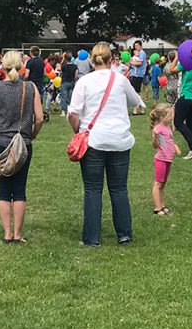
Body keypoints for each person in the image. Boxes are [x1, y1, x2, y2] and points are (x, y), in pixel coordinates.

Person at [67, 42, 145, 246]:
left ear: (91, 60)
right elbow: (136, 101)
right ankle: (124, 234)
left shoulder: (84, 82)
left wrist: (78, 131)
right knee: (119, 188)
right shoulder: (120, 79)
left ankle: (92, 237)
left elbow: (73, 112)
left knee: (93, 189)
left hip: (93, 139)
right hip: (119, 139)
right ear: (111, 60)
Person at [0, 51, 43, 243]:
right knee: (20, 189)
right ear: (21, 67)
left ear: (3, 67)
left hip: (0, 143)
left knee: (3, 190)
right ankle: (17, 234)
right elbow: (39, 118)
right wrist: (31, 134)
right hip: (23, 144)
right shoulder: (31, 88)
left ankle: (7, 234)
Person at [172, 47, 192, 159]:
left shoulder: (187, 62)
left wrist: (177, 58)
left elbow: (171, 70)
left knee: (178, 122)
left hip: (186, 95)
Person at [150, 102, 177, 216]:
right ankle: (157, 208)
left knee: (163, 184)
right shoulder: (158, 129)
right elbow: (156, 146)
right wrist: (155, 136)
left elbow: (167, 143)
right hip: (161, 160)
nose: (172, 117)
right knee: (158, 184)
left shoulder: (167, 128)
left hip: (168, 160)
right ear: (162, 117)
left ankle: (162, 205)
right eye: (169, 115)